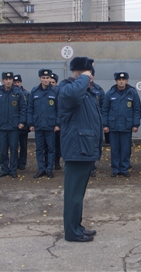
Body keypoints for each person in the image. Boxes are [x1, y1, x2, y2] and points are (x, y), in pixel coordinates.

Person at [58, 56, 102, 243]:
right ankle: (72, 232)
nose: (91, 76)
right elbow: (73, 95)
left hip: (84, 148)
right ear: (79, 72)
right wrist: (83, 78)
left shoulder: (86, 91)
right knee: (73, 195)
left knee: (78, 194)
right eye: (88, 72)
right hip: (77, 149)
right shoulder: (67, 88)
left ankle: (77, 226)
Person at [0, 71, 27, 179]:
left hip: (14, 126)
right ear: (3, 81)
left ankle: (13, 169)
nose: (8, 81)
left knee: (14, 148)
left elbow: (23, 108)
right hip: (1, 125)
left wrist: (21, 122)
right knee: (3, 149)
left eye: (10, 79)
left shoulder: (18, 93)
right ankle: (4, 169)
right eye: (6, 79)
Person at [102, 72, 141, 178]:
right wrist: (105, 124)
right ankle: (115, 169)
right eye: (119, 80)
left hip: (127, 126)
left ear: (127, 81)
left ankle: (124, 168)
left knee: (125, 149)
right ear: (116, 81)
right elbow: (105, 110)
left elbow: (136, 110)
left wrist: (135, 124)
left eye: (123, 80)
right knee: (114, 149)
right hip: (113, 126)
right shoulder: (110, 93)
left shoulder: (132, 93)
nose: (121, 81)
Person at [28, 69, 59, 179]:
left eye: (47, 78)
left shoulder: (55, 91)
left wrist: (57, 124)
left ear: (50, 79)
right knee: (39, 148)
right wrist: (31, 123)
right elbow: (30, 108)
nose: (46, 80)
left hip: (51, 125)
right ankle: (41, 169)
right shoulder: (35, 91)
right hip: (38, 125)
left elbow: (58, 109)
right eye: (43, 78)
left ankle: (49, 169)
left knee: (51, 148)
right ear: (40, 78)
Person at [88, 68, 105, 177]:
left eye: (91, 75)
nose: (89, 77)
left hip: (95, 123)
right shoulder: (78, 89)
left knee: (95, 144)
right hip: (83, 121)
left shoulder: (99, 90)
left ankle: (91, 166)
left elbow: (104, 106)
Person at [13, 74, 30, 170]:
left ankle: (22, 163)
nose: (16, 84)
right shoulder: (12, 93)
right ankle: (15, 162)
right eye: (15, 82)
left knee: (23, 145)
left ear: (21, 83)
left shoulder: (27, 94)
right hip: (14, 125)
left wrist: (26, 123)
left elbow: (28, 109)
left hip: (24, 125)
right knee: (14, 145)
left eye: (18, 82)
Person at [49, 72, 62, 170]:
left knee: (57, 144)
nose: (51, 84)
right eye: (50, 82)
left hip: (56, 123)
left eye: (53, 82)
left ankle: (56, 162)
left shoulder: (58, 92)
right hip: (47, 123)